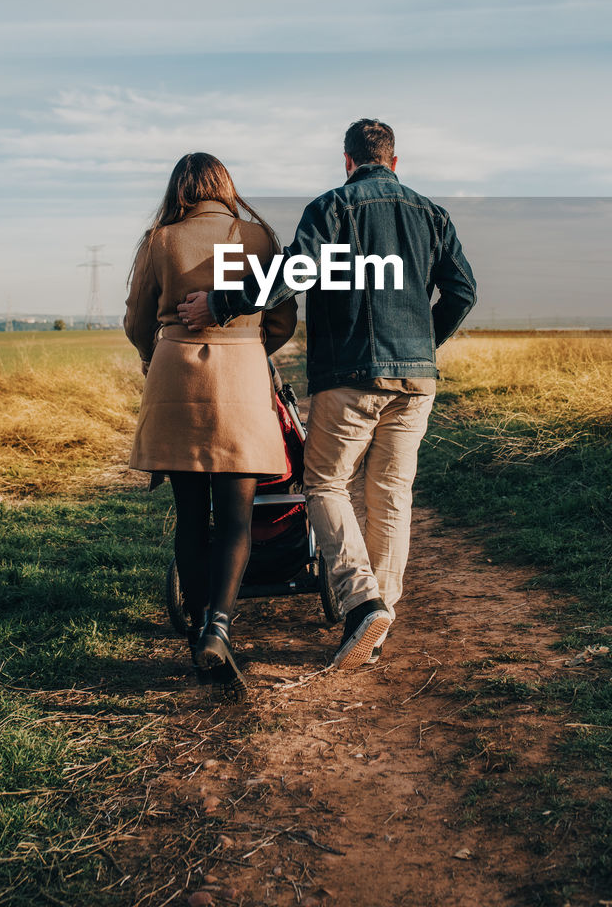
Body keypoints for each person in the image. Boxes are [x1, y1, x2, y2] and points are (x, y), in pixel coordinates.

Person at [178, 120, 476, 670]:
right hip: (417, 380)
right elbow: (463, 289)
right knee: (392, 493)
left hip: (351, 374)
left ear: (347, 160)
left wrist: (222, 305)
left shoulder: (334, 208)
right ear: (393, 159)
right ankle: (378, 621)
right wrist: (424, 341)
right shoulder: (433, 214)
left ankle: (362, 601)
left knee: (324, 483)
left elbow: (297, 271)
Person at [124, 153, 297, 695]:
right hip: (240, 382)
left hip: (176, 378)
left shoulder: (159, 240)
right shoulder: (257, 237)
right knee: (237, 521)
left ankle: (199, 625)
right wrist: (248, 345)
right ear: (225, 187)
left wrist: (155, 355)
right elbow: (283, 317)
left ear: (179, 188)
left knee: (191, 518)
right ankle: (219, 628)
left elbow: (135, 319)